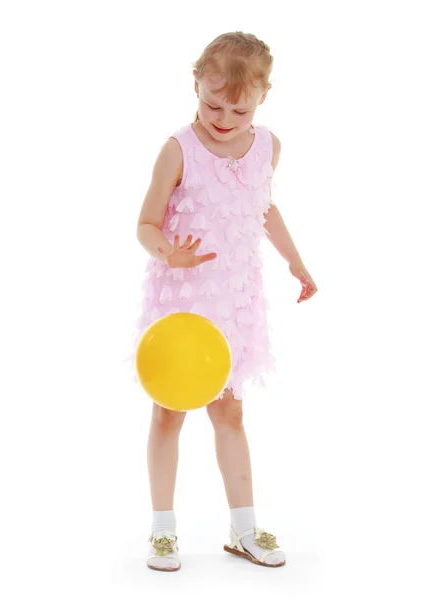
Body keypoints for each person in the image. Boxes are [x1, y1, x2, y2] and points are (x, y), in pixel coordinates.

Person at [127, 31, 317, 571]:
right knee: (169, 411)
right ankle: (162, 530)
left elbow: (265, 208)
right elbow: (144, 224)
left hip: (233, 301)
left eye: (239, 107)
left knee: (230, 412)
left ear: (263, 97)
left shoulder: (268, 146)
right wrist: (170, 253)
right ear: (195, 85)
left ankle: (244, 528)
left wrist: (295, 260)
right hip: (183, 303)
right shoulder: (178, 149)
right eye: (212, 103)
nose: (223, 117)